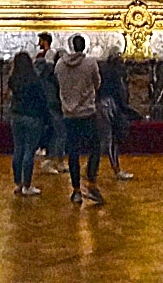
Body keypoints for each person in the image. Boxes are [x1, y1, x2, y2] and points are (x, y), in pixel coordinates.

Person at [54, 35, 104, 205]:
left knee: (73, 152)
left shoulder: (60, 65)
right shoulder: (90, 64)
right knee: (95, 148)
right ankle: (91, 181)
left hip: (69, 114)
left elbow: (58, 84)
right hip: (87, 113)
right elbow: (97, 84)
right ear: (84, 47)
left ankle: (76, 190)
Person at [7, 52, 51, 196]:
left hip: (16, 115)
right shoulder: (34, 80)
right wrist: (46, 118)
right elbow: (42, 99)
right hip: (32, 117)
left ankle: (18, 183)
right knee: (29, 151)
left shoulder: (13, 79)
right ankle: (27, 184)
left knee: (18, 149)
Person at [97, 50, 138, 180]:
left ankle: (93, 169)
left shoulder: (104, 72)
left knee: (107, 140)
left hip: (104, 106)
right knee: (108, 141)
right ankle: (113, 170)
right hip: (109, 107)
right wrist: (130, 111)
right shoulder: (114, 75)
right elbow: (119, 96)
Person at [34, 33, 66, 175]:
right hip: (53, 102)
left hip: (49, 101)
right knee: (58, 132)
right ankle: (54, 160)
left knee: (57, 132)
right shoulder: (46, 64)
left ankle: (56, 160)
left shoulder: (46, 60)